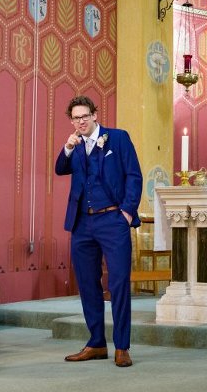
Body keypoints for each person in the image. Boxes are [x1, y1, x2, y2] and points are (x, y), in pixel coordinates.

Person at [55, 96, 143, 368]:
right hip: (82, 224)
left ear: (95, 115)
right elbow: (60, 169)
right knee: (87, 284)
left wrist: (126, 213)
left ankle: (122, 346)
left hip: (112, 220)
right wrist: (67, 148)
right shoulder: (76, 146)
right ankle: (95, 342)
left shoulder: (117, 138)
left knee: (118, 284)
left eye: (84, 116)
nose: (80, 121)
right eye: (75, 118)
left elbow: (134, 176)